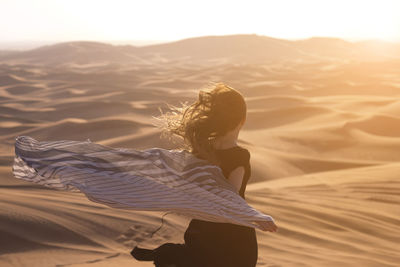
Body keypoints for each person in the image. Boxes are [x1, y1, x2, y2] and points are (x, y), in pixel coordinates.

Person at [131, 81, 278, 267]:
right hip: (233, 242)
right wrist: (257, 217)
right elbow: (228, 201)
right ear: (242, 120)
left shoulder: (201, 151)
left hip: (202, 232)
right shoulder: (239, 157)